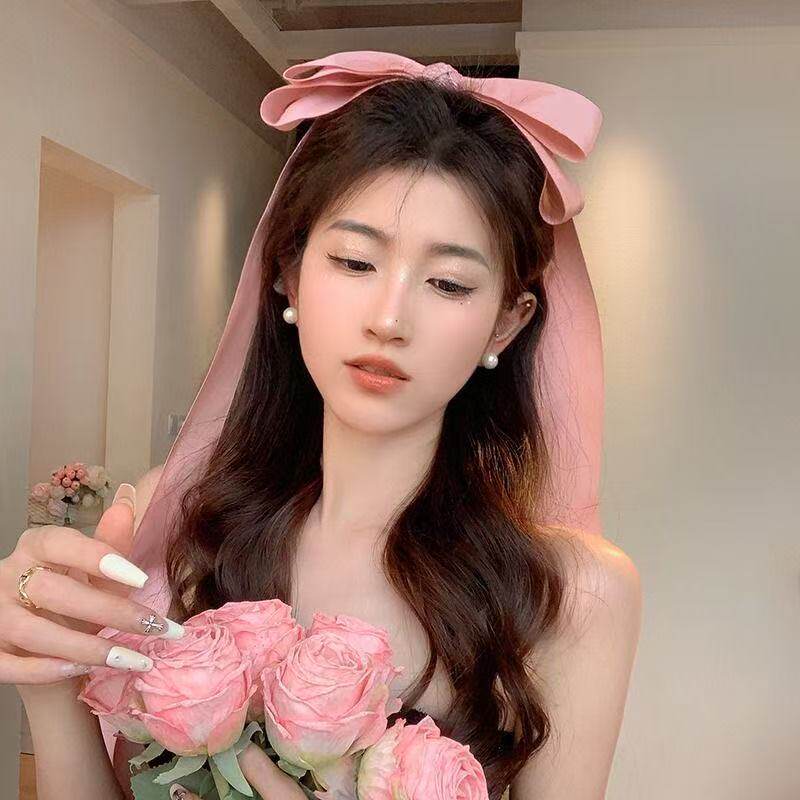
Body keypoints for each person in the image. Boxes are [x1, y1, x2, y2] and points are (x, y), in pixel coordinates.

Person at [2, 52, 642, 800]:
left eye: (447, 283)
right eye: (354, 261)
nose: (389, 319)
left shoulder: (575, 593)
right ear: (289, 272)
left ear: (506, 322)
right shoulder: (175, 518)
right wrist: (45, 678)